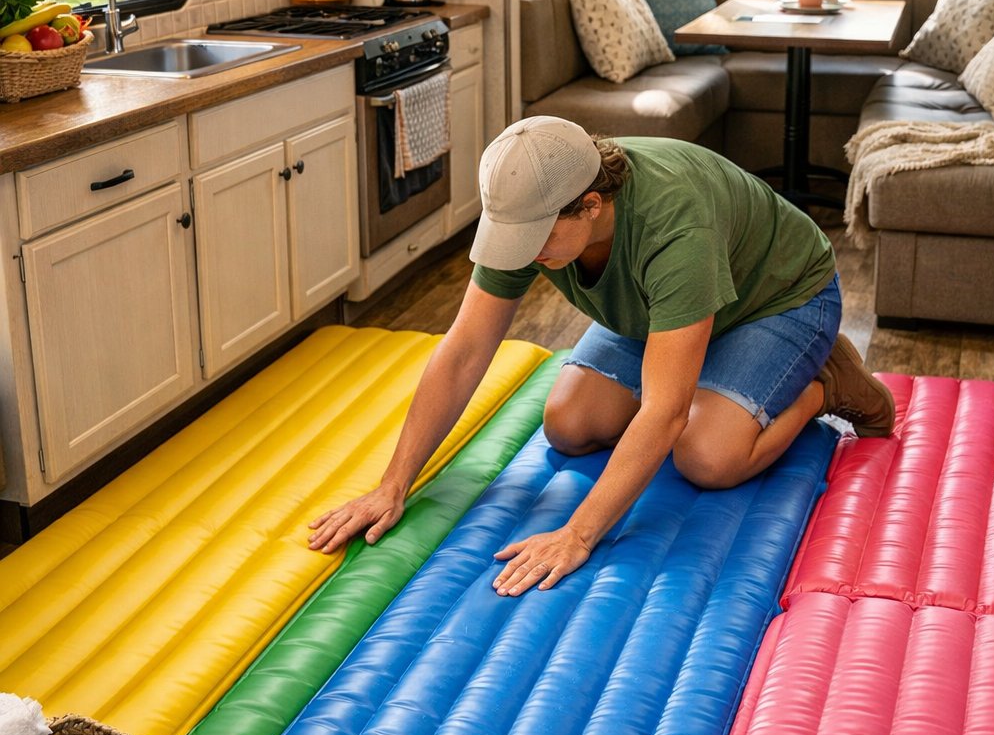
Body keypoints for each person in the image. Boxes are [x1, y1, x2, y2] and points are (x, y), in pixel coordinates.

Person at [309, 116, 894, 596]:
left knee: (706, 455)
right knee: (569, 425)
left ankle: (826, 383)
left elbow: (665, 411)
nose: (524, 254)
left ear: (591, 205)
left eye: (538, 239)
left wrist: (578, 534)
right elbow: (464, 350)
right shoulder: (527, 210)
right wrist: (393, 485)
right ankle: (712, 367)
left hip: (777, 300)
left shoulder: (675, 226)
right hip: (658, 312)